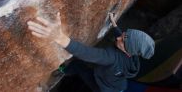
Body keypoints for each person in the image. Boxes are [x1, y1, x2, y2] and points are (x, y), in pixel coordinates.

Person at [27, 12, 155, 92]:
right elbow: (125, 39)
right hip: (119, 86)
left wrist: (59, 37)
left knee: (78, 66)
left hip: (103, 88)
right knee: (80, 67)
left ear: (128, 50)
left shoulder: (111, 58)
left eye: (122, 40)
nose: (118, 37)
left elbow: (87, 53)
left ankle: (61, 70)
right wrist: (114, 24)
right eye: (123, 34)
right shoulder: (133, 57)